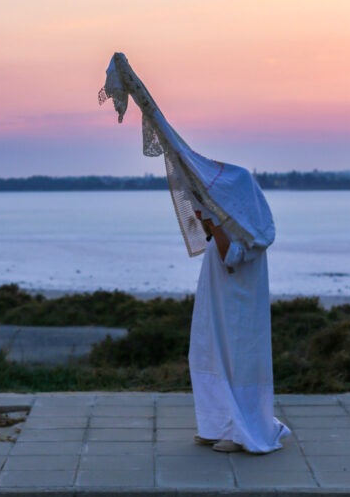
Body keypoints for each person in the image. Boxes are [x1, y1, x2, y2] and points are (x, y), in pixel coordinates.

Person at [100, 51, 290, 454]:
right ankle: (216, 422)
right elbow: (183, 159)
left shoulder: (249, 221)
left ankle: (243, 430)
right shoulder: (226, 205)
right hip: (217, 288)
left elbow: (232, 254)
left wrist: (213, 225)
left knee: (236, 356)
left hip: (239, 296)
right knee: (206, 349)